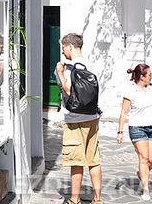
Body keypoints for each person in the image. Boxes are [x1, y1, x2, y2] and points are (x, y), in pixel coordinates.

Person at [56, 33, 103, 204]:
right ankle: (97, 199)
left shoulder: (71, 68)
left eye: (64, 48)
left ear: (70, 47)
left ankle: (74, 199)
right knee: (93, 159)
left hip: (75, 119)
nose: (63, 53)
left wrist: (60, 73)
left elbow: (68, 91)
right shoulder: (92, 64)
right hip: (92, 116)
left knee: (76, 160)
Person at [116, 63, 152, 202]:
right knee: (144, 158)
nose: (151, 77)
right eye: (149, 75)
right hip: (137, 129)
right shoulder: (130, 91)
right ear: (142, 77)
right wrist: (120, 131)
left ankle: (142, 173)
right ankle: (146, 189)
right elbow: (124, 112)